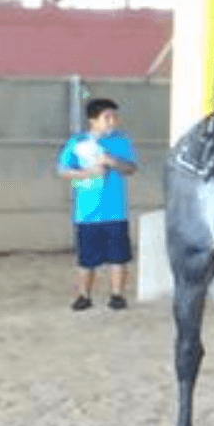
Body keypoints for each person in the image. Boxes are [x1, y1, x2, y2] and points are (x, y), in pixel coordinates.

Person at [57, 98, 138, 310]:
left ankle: (117, 296)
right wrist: (89, 172)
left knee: (118, 257)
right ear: (93, 119)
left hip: (116, 211)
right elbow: (64, 171)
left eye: (114, 116)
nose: (112, 121)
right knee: (87, 259)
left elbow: (131, 168)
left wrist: (112, 161)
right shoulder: (77, 142)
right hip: (87, 212)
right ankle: (84, 296)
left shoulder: (122, 141)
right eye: (107, 117)